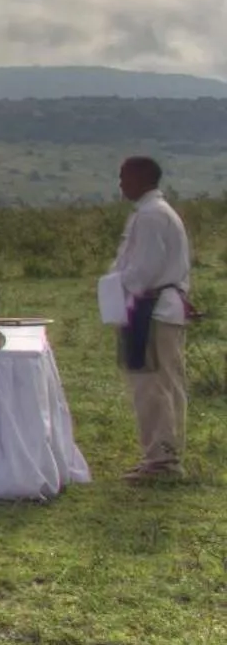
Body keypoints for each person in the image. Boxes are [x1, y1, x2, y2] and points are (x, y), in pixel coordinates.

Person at [101, 156, 195, 482]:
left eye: (124, 177)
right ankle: (163, 454)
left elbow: (144, 269)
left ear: (142, 178)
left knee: (153, 386)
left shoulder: (152, 216)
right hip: (156, 308)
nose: (121, 184)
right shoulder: (152, 213)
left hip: (151, 309)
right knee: (162, 384)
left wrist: (115, 288)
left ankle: (163, 462)